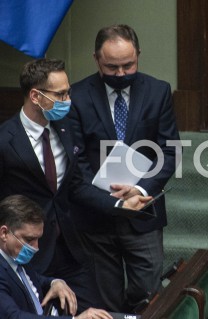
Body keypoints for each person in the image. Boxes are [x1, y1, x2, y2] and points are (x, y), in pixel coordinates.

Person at [0, 58, 151, 312]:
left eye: (68, 92)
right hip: (29, 250)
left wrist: (119, 203)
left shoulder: (66, 128)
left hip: (71, 246)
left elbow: (77, 184)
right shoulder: (5, 140)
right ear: (36, 96)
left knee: (95, 312)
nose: (68, 99)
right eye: (60, 94)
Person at [69, 24, 180, 312]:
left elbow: (169, 152)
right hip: (95, 218)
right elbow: (76, 165)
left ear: (138, 56)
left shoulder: (158, 91)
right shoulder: (76, 97)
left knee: (148, 297)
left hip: (142, 212)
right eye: (112, 67)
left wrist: (140, 189)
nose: (120, 74)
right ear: (96, 59)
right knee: (105, 302)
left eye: (128, 65)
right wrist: (112, 202)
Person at [0, 194, 113, 319]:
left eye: (38, 239)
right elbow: (13, 316)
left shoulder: (14, 256)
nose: (36, 247)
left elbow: (30, 279)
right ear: (4, 233)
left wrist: (55, 282)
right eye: (29, 239)